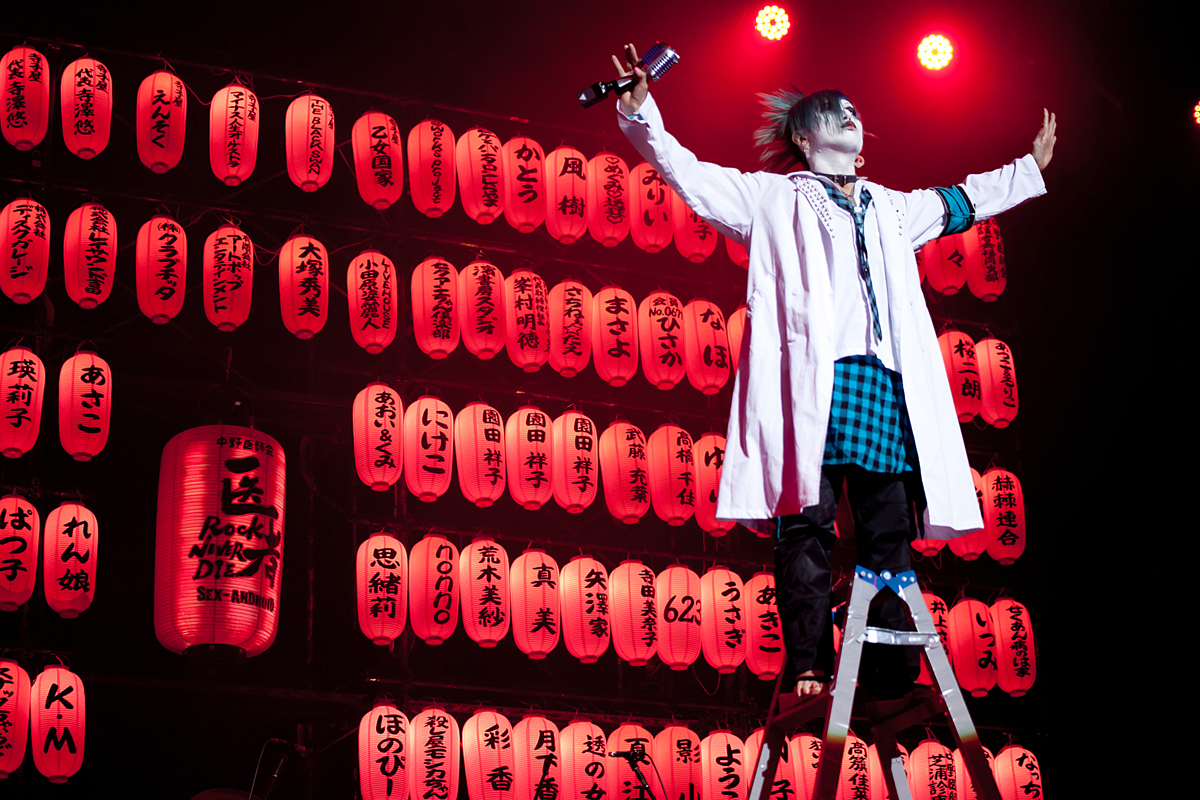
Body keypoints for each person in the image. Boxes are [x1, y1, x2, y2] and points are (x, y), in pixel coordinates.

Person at [613, 44, 1056, 698]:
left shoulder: (893, 207)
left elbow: (959, 202)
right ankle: (811, 664)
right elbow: (687, 172)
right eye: (834, 111)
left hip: (883, 385)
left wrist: (1027, 170)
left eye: (854, 111)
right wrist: (641, 112)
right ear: (803, 137)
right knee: (807, 522)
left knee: (888, 533)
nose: (851, 116)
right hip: (812, 388)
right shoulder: (771, 199)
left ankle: (891, 671)